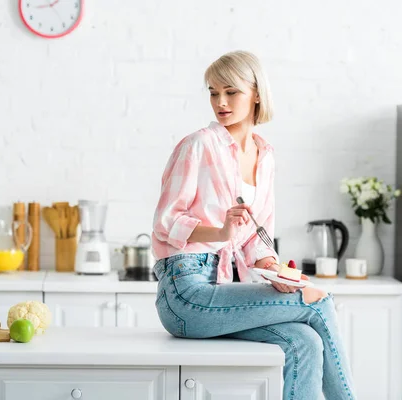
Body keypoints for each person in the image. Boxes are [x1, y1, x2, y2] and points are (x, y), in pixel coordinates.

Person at [151, 50, 356, 399]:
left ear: (256, 92)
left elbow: (254, 239)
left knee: (303, 340)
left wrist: (275, 270)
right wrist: (219, 232)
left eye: (231, 92)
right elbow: (165, 222)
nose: (221, 101)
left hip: (225, 290)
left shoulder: (266, 156)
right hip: (185, 293)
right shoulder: (198, 145)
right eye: (214, 92)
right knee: (319, 303)